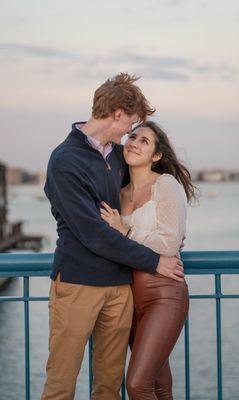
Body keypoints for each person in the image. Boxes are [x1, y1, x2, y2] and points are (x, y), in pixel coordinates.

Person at [41, 73, 185, 400]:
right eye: (131, 123)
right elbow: (95, 234)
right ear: (118, 114)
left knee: (108, 389)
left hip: (120, 288)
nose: (130, 133)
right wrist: (154, 260)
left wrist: (166, 233)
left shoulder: (118, 156)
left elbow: (152, 187)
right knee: (60, 386)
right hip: (78, 285)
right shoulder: (65, 161)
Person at [100, 121, 196, 400]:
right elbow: (108, 244)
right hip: (127, 299)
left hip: (164, 294)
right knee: (158, 385)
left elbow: (169, 242)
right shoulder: (118, 194)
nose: (134, 142)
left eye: (145, 141)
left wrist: (125, 231)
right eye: (133, 136)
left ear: (157, 156)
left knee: (137, 384)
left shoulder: (165, 184)